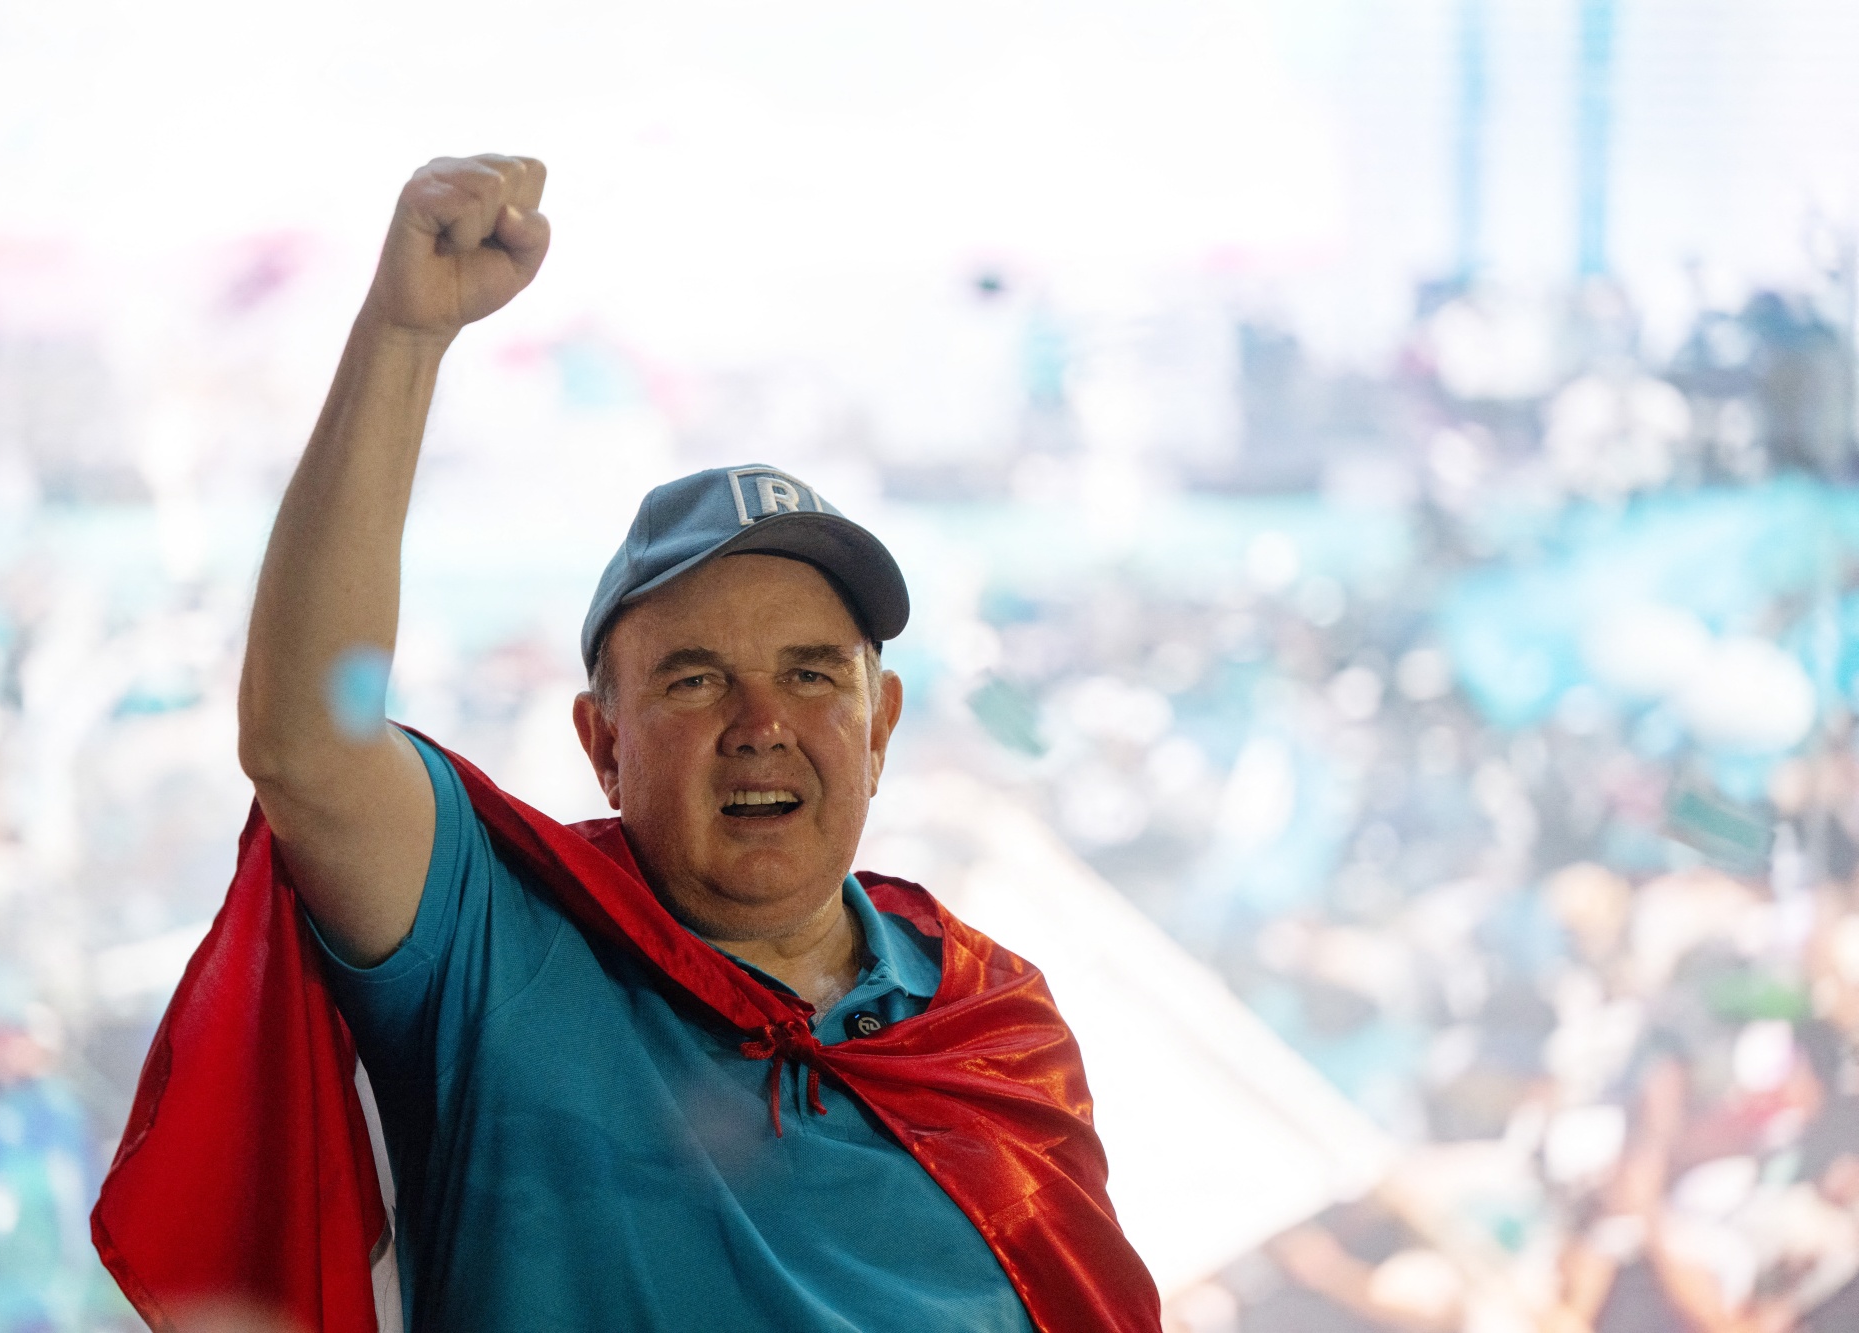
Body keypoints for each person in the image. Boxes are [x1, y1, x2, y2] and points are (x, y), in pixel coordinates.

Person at [93, 156, 1158, 1333]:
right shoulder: (501, 947)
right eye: (694, 681)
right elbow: (308, 741)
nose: (760, 725)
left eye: (811, 676)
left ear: (880, 725)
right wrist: (402, 338)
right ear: (600, 742)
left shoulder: (987, 1021)